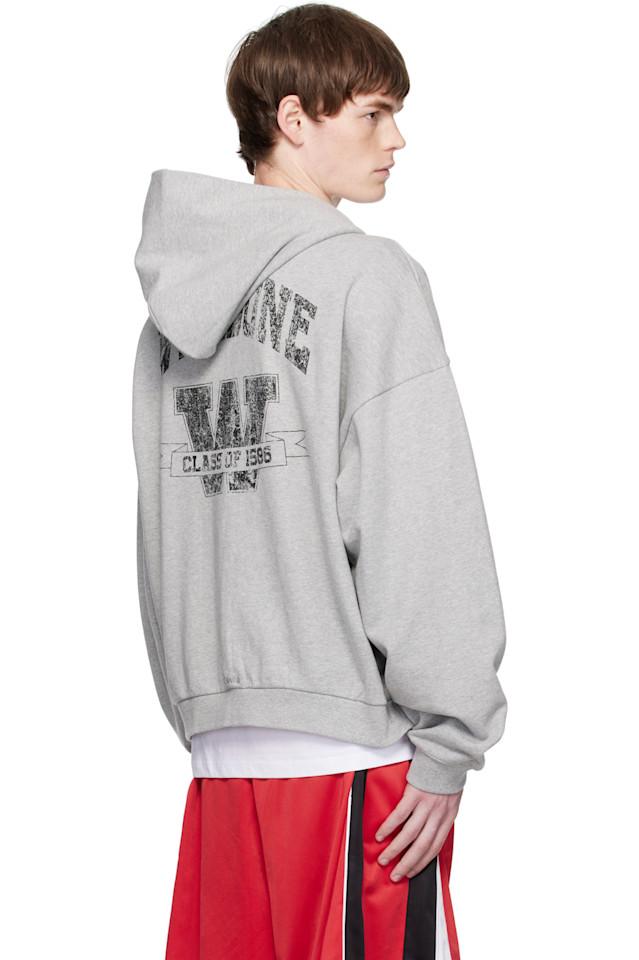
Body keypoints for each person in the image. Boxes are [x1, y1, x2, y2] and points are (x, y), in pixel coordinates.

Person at [132, 5, 508, 957]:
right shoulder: (366, 279)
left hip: (222, 765)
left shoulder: (169, 320)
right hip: (353, 768)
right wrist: (451, 740)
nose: (396, 139)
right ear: (294, 119)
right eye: (372, 113)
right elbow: (416, 512)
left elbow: (165, 532)